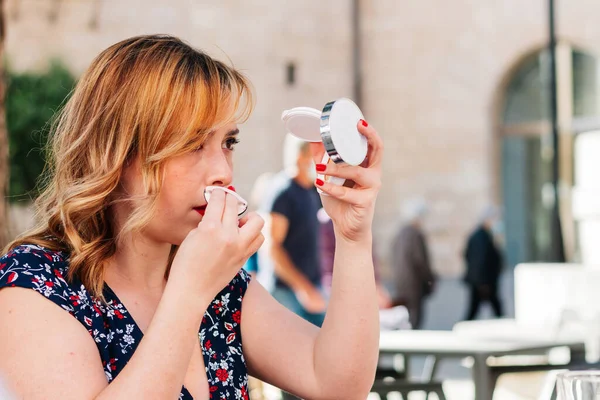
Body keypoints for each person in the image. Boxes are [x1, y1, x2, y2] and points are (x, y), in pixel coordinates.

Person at [0, 35, 383, 400]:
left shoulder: (222, 287)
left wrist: (352, 237)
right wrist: (190, 292)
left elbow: (335, 383)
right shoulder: (36, 284)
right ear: (116, 153)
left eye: (227, 143)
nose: (224, 172)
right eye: (192, 143)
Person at [269, 134, 326, 328]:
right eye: (316, 155)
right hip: (287, 291)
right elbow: (272, 248)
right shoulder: (284, 192)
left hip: (311, 287)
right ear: (301, 157)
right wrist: (303, 288)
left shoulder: (311, 192)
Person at [390, 198, 435, 329]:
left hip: (401, 283)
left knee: (405, 317)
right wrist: (430, 279)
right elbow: (420, 261)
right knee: (414, 318)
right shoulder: (415, 234)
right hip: (414, 284)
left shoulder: (399, 234)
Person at [463, 205, 504, 320]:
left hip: (485, 281)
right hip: (482, 282)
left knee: (477, 309)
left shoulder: (486, 235)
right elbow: (478, 261)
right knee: (475, 309)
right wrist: (482, 282)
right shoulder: (480, 237)